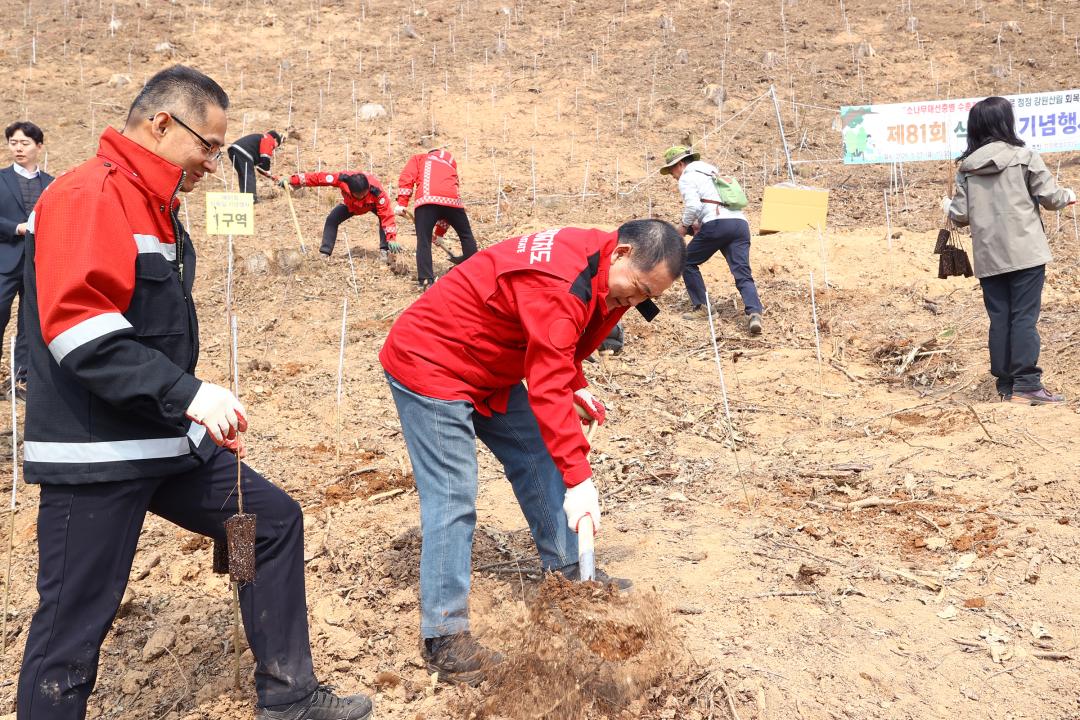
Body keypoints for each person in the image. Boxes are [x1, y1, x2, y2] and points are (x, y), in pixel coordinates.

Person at [18, 65, 372, 720]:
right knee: (73, 626)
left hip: (162, 443)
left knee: (263, 525)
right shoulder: (87, 195)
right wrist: (190, 394)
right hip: (97, 459)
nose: (215, 161)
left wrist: (191, 410)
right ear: (160, 123)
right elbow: (80, 333)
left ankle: (287, 695)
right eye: (207, 145)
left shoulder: (155, 204)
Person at [379, 219, 685, 685]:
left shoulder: (602, 266)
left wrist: (575, 386)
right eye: (638, 290)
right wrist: (580, 480)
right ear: (621, 252)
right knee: (453, 496)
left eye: (649, 300)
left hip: (490, 364)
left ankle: (565, 570)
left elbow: (562, 350)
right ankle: (444, 635)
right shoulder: (561, 282)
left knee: (539, 452)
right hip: (433, 361)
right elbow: (545, 379)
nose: (635, 303)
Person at [944, 96, 1075, 406]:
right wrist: (1068, 194)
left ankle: (1006, 384)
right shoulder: (1025, 156)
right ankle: (1028, 384)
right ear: (1006, 122)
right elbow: (1051, 198)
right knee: (1024, 319)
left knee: (1000, 318)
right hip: (1026, 253)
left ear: (975, 128)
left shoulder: (967, 168)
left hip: (989, 257)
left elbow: (960, 215)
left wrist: (948, 207)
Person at [660, 145, 763, 335]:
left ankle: (703, 307)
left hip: (717, 225)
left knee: (686, 261)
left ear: (681, 164)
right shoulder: (712, 172)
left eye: (672, 170)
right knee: (742, 272)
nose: (672, 176)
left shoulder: (687, 177)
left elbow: (693, 206)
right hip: (740, 224)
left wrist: (683, 227)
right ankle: (754, 313)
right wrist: (698, 223)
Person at [0, 121, 52, 399]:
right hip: (4, 261)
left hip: (37, 262)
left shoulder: (51, 184)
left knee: (29, 322)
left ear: (39, 147)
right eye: (13, 142)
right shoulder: (0, 178)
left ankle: (19, 382)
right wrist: (15, 228)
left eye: (25, 143)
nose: (18, 148)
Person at [394, 148, 478, 290]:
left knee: (424, 241)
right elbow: (446, 206)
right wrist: (439, 233)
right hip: (453, 202)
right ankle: (476, 274)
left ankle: (426, 280)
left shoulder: (420, 158)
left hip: (427, 200)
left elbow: (407, 177)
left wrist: (402, 203)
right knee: (466, 235)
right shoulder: (451, 166)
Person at [280, 170, 398, 260]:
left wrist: (391, 238)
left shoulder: (377, 192)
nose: (362, 197)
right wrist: (292, 180)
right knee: (332, 219)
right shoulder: (342, 179)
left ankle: (385, 250)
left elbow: (387, 215)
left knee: (383, 220)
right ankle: (325, 252)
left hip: (371, 205)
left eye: (364, 194)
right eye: (359, 195)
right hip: (351, 206)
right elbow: (319, 178)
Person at [227, 129, 282, 201]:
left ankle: (245, 198)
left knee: (244, 175)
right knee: (249, 174)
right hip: (243, 152)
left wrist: (270, 175)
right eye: (276, 145)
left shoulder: (260, 141)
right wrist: (267, 169)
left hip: (234, 150)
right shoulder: (269, 139)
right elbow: (265, 157)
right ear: (275, 139)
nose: (274, 148)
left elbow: (260, 167)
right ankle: (251, 199)